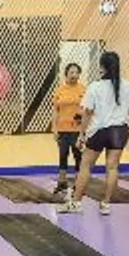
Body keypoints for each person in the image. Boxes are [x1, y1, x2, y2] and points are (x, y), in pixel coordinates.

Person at [58, 51, 129, 217]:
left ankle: (76, 202)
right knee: (112, 167)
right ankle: (106, 204)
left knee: (86, 165)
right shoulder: (128, 86)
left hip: (99, 130)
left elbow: (87, 113)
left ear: (102, 67)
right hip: (119, 130)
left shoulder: (95, 87)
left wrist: (81, 135)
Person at [51, 63, 85, 195]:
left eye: (76, 72)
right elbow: (55, 110)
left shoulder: (83, 90)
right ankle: (62, 183)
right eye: (71, 72)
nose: (74, 75)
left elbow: (87, 110)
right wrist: (54, 129)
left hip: (78, 130)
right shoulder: (60, 90)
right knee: (63, 155)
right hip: (62, 129)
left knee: (78, 157)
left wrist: (84, 128)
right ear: (66, 74)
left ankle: (78, 184)